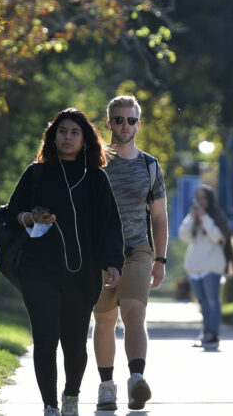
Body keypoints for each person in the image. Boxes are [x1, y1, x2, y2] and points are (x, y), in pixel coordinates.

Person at [4, 108, 124, 416]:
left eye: (74, 133)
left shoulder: (95, 179)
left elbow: (110, 224)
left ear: (85, 140)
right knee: (45, 339)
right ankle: (50, 407)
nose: (67, 138)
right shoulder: (36, 173)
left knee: (73, 343)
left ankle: (71, 396)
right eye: (62, 132)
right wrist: (30, 217)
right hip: (38, 270)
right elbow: (11, 213)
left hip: (81, 273)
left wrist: (113, 262)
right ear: (52, 136)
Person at [92, 95, 168, 411]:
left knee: (135, 313)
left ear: (138, 123)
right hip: (99, 253)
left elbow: (160, 216)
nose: (126, 125)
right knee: (105, 319)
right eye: (119, 120)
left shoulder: (149, 166)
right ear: (109, 123)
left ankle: (136, 379)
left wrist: (160, 259)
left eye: (131, 120)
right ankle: (106, 385)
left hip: (137, 249)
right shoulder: (94, 163)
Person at [178, 185, 230, 349]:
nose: (200, 202)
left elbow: (217, 237)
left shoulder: (217, 216)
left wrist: (205, 217)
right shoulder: (193, 218)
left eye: (203, 198)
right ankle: (206, 333)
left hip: (212, 266)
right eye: (198, 198)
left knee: (213, 301)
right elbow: (183, 235)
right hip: (195, 268)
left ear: (210, 199)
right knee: (202, 302)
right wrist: (191, 217)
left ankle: (213, 335)